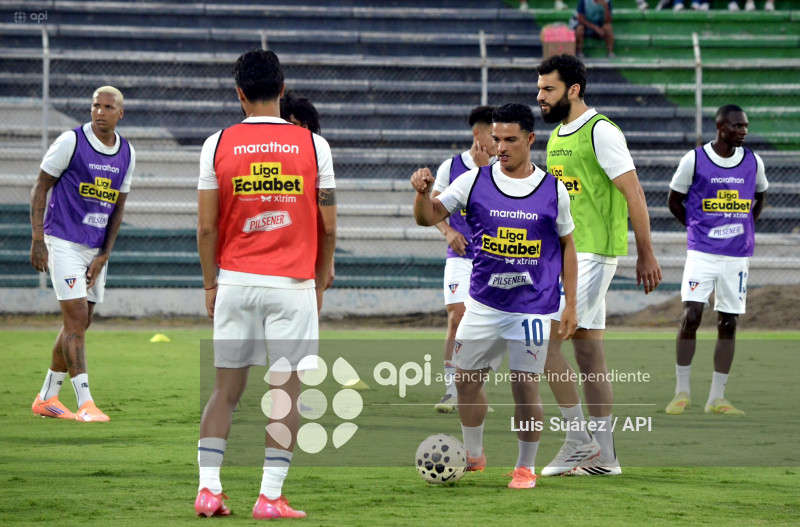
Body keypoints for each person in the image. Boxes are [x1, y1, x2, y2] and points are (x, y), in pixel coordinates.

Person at [195, 49, 336, 519]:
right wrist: (323, 273)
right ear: (281, 89)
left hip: (235, 281)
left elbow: (207, 227)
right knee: (286, 392)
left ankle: (209, 490)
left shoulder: (215, 144)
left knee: (224, 392)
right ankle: (270, 497)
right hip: (291, 284)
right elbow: (329, 223)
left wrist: (211, 284)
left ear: (239, 94)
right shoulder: (315, 147)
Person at [412, 103, 579, 489]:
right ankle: (474, 454)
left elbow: (569, 245)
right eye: (496, 138)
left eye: (510, 140)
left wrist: (571, 303)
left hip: (533, 310)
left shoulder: (554, 189)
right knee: (466, 380)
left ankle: (525, 467)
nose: (501, 146)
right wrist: (422, 195)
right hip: (484, 304)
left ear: (530, 140)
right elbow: (429, 214)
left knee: (525, 387)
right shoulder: (473, 181)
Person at [535, 54, 662, 476]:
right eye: (539, 88)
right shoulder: (555, 137)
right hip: (570, 257)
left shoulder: (601, 131)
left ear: (573, 89)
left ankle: (576, 441)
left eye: (548, 88)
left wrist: (644, 252)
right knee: (589, 356)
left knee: (542, 346)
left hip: (595, 254)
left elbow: (635, 193)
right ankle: (605, 459)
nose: (541, 96)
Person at [30, 86, 134, 423]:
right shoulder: (70, 142)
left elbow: (118, 208)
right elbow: (40, 186)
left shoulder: (127, 154)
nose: (100, 112)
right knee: (75, 320)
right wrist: (38, 240)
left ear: (121, 113)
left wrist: (105, 253)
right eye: (95, 106)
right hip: (63, 240)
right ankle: (86, 403)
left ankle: (47, 397)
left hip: (95, 248)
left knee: (82, 321)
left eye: (108, 107)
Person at [665, 105, 767, 417]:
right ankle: (681, 392)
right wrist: (698, 229)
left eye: (746, 126)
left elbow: (760, 196)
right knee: (691, 315)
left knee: (728, 322)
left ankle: (717, 398)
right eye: (738, 126)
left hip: (736, 257)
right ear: (720, 126)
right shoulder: (694, 159)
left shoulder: (753, 161)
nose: (744, 131)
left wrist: (745, 228)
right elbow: (673, 200)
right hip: (702, 253)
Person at [430, 105, 496, 414]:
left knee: (486, 326)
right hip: (459, 255)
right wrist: (447, 232)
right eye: (494, 135)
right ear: (477, 134)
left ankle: (474, 390)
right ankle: (449, 390)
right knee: (457, 316)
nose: (499, 142)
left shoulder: (500, 168)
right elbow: (434, 210)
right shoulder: (450, 167)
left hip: (492, 259)